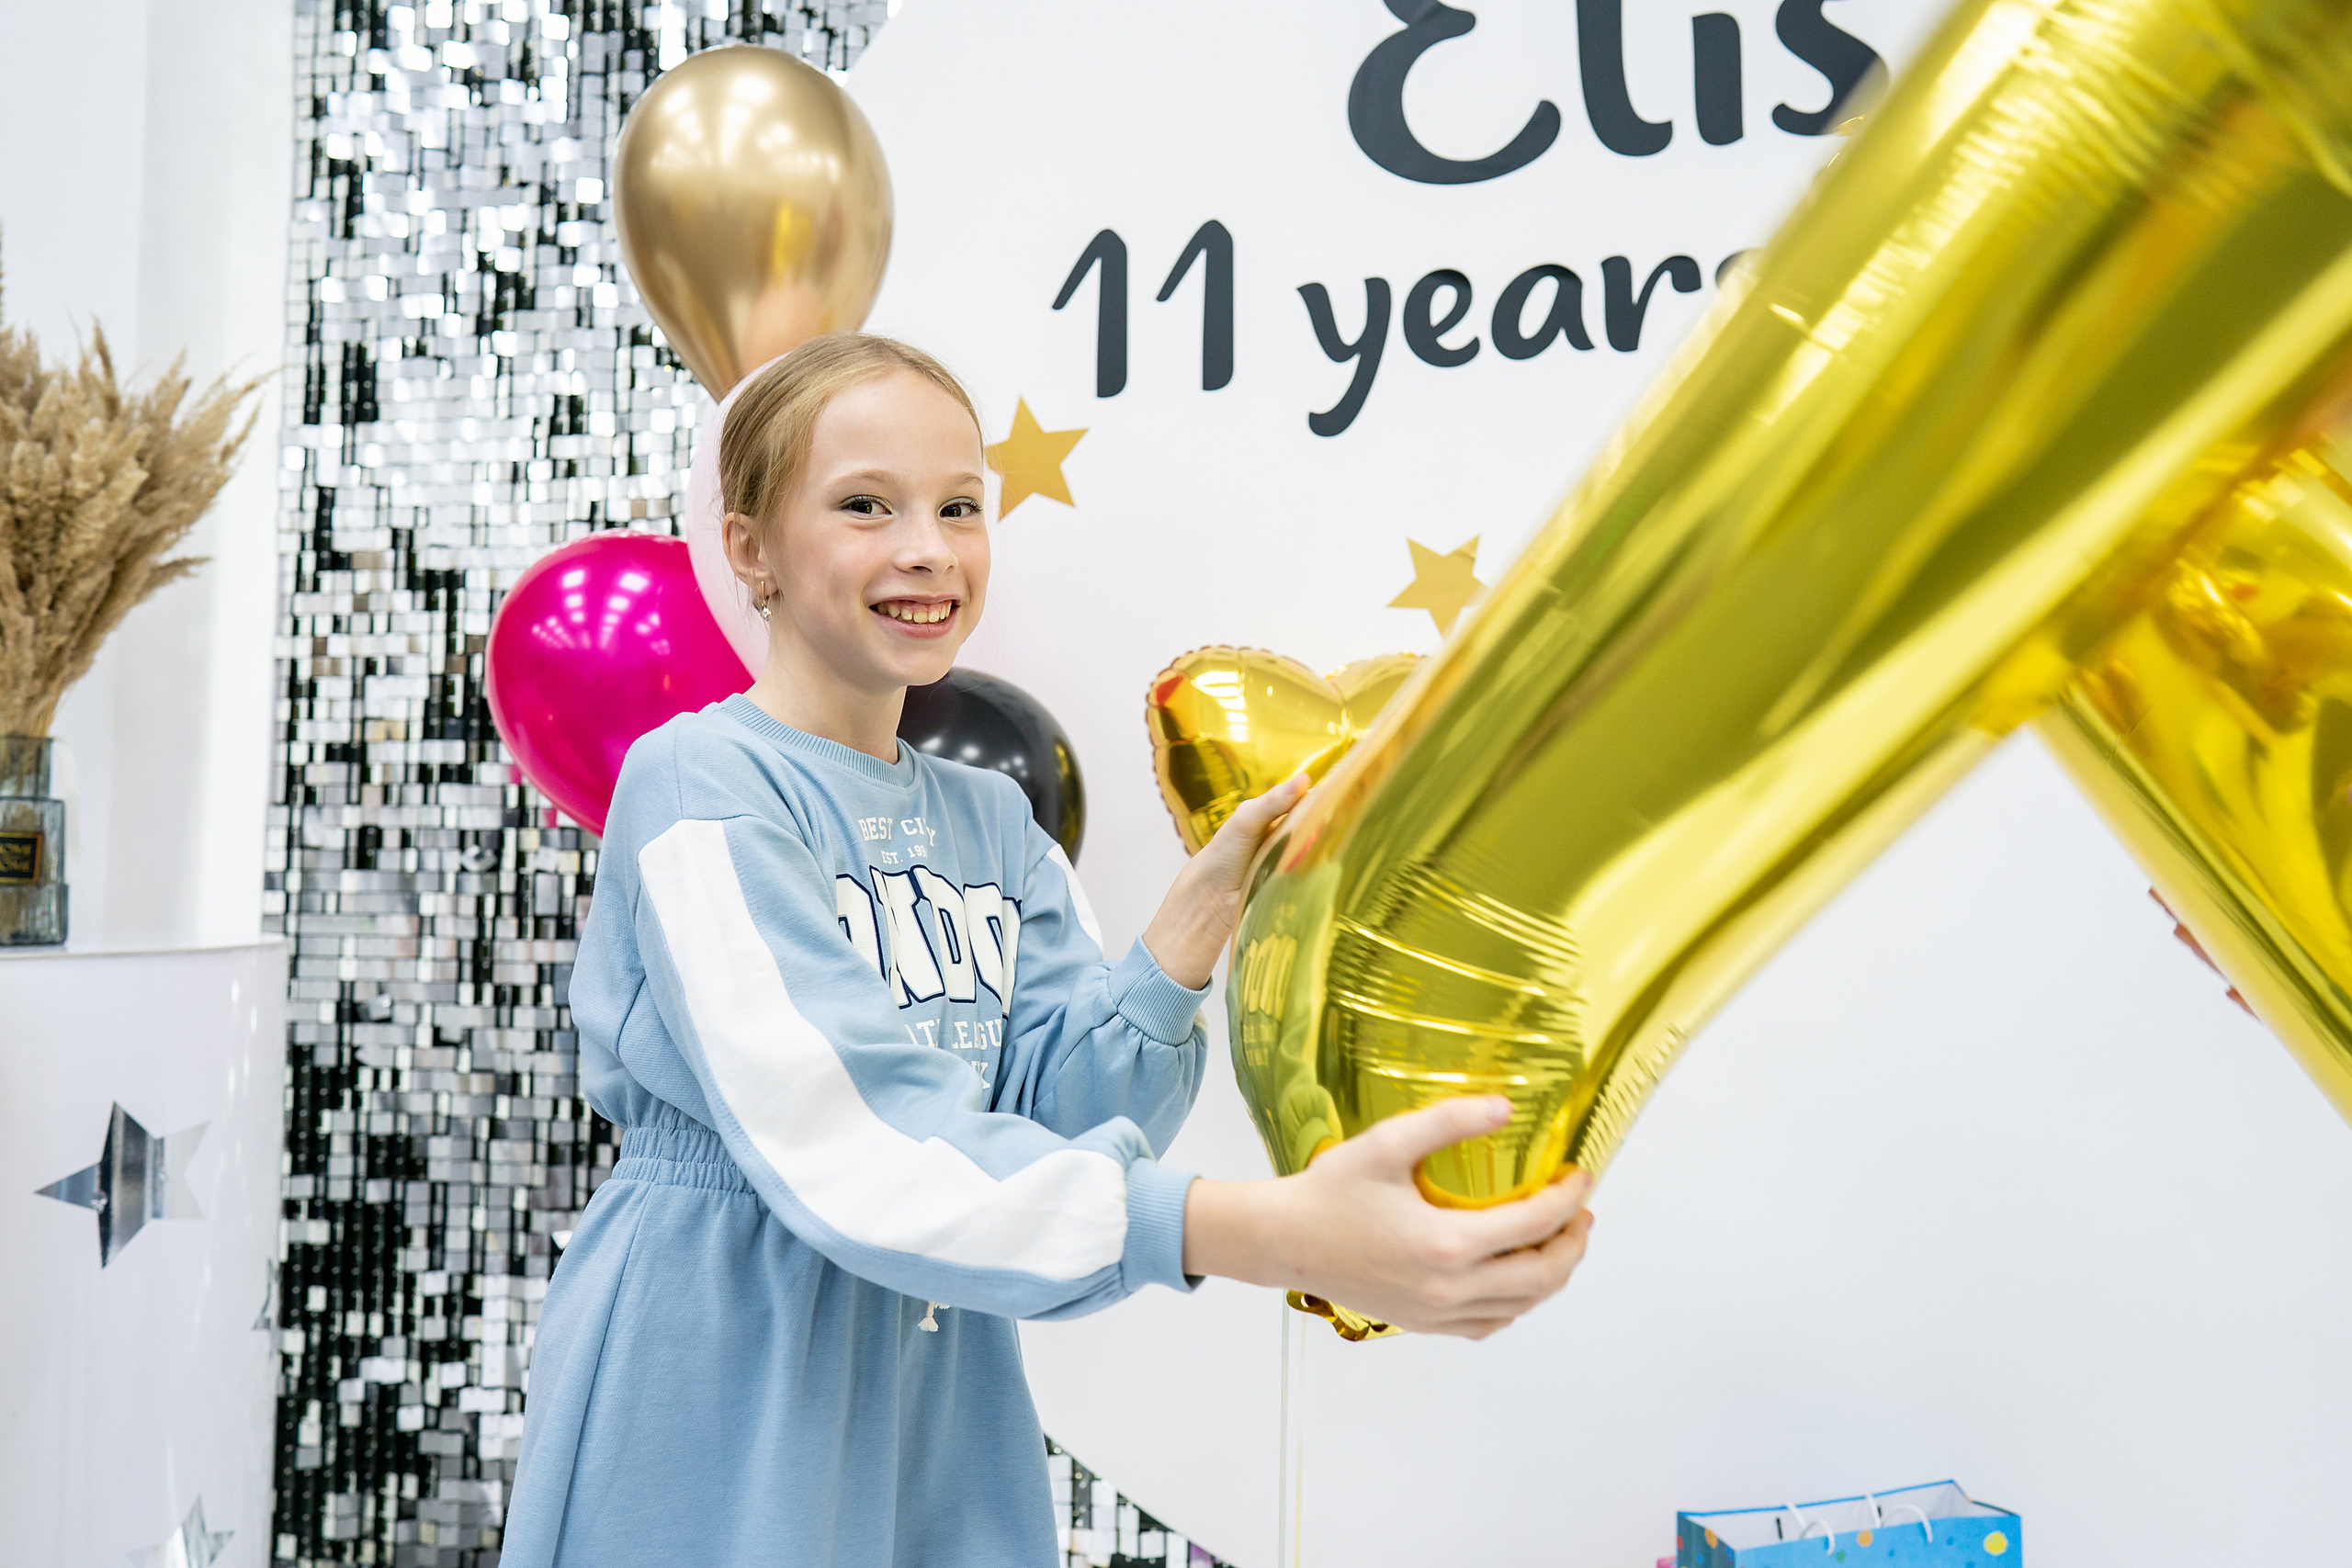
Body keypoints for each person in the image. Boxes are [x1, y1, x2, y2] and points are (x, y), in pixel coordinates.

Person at [503, 333, 1596, 1567]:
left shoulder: (990, 822)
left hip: (936, 1373)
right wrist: (1274, 1233)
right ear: (749, 547)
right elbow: (848, 1144)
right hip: (725, 1364)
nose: (927, 546)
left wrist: (1186, 937)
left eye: (961, 507)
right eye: (867, 505)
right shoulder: (701, 785)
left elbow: (1057, 1122)